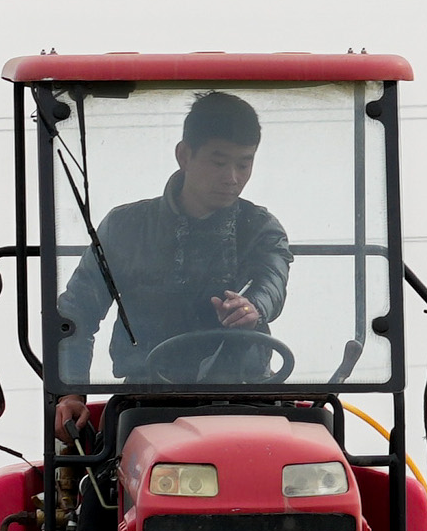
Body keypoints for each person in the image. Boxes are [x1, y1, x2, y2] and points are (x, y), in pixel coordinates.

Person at [52, 90, 293, 384]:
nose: (232, 178)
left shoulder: (261, 229)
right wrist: (71, 391)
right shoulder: (125, 228)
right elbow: (77, 313)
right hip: (147, 399)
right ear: (184, 155)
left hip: (244, 396)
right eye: (219, 163)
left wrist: (254, 306)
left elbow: (273, 280)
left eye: (243, 164)